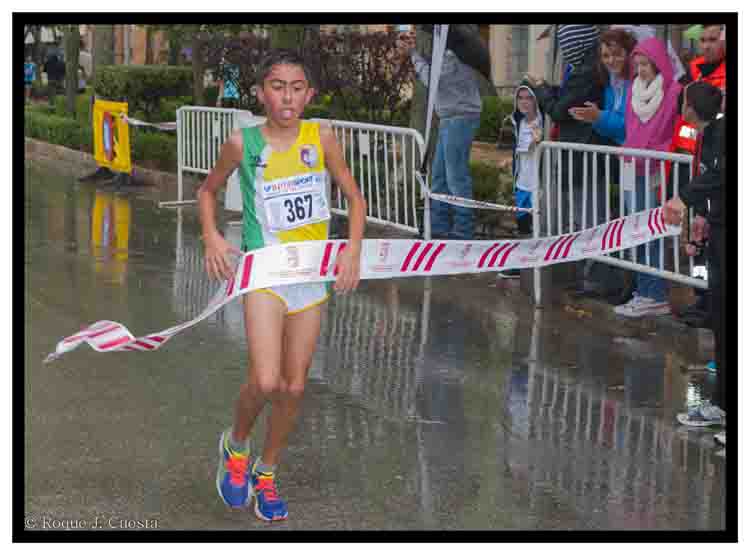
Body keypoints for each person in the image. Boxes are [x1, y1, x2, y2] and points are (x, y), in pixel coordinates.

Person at [196, 50, 366, 521]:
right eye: (277, 86)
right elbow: (207, 190)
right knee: (266, 379)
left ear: (309, 94)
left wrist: (351, 249)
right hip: (265, 275)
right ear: (260, 93)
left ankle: (266, 472)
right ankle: (236, 445)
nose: (287, 95)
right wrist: (211, 235)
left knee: (293, 388)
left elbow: (352, 196)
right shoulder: (242, 142)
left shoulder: (323, 136)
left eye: (296, 87)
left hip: (309, 279)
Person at [664, 81, 725, 440]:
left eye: (683, 101)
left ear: (692, 106)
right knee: (719, 317)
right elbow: (710, 178)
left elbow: (721, 175)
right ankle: (721, 405)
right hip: (717, 229)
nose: (680, 106)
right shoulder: (708, 133)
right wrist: (701, 214)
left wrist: (684, 199)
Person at [613, 37, 682, 318]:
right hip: (632, 167)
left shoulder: (674, 91)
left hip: (656, 169)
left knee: (650, 230)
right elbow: (630, 130)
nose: (641, 69)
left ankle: (654, 294)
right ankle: (644, 291)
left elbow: (675, 133)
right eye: (637, 64)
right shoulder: (633, 90)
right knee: (636, 230)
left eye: (645, 64)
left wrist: (653, 151)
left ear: (658, 63)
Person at [568, 28, 637, 301]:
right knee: (626, 219)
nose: (611, 60)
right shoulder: (611, 83)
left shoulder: (634, 83)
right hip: (626, 159)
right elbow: (615, 128)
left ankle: (638, 287)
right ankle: (626, 283)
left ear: (629, 54)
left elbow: (631, 127)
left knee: (635, 222)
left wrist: (599, 118)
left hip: (641, 161)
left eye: (617, 54)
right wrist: (596, 119)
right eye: (606, 55)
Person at [399, 31, 482, 240]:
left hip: (460, 117)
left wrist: (413, 55)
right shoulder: (451, 52)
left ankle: (463, 230)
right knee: (440, 178)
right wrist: (416, 52)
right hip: (451, 117)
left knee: (456, 178)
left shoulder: (456, 54)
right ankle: (438, 226)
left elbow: (432, 79)